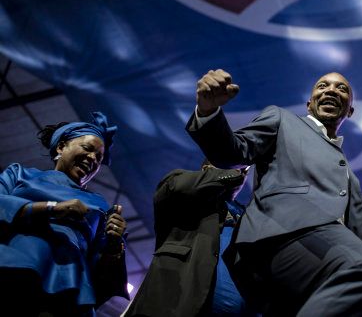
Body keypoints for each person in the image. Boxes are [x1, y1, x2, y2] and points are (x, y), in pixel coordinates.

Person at [187, 69, 362, 316]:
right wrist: (208, 111)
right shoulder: (282, 120)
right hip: (279, 236)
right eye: (323, 86)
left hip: (321, 263)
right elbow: (234, 152)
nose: (331, 90)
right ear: (309, 102)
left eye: (341, 88)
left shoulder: (348, 176)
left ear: (350, 112)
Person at [0, 112, 128, 317]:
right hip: (11, 269)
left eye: (99, 157)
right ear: (61, 147)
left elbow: (103, 281)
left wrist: (114, 246)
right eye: (88, 148)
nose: (93, 158)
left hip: (67, 291)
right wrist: (51, 208)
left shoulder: (102, 206)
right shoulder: (20, 174)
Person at [124, 160, 256, 316]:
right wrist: (232, 172)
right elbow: (177, 187)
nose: (240, 174)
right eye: (230, 167)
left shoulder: (246, 214)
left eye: (242, 171)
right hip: (174, 307)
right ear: (206, 169)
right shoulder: (181, 189)